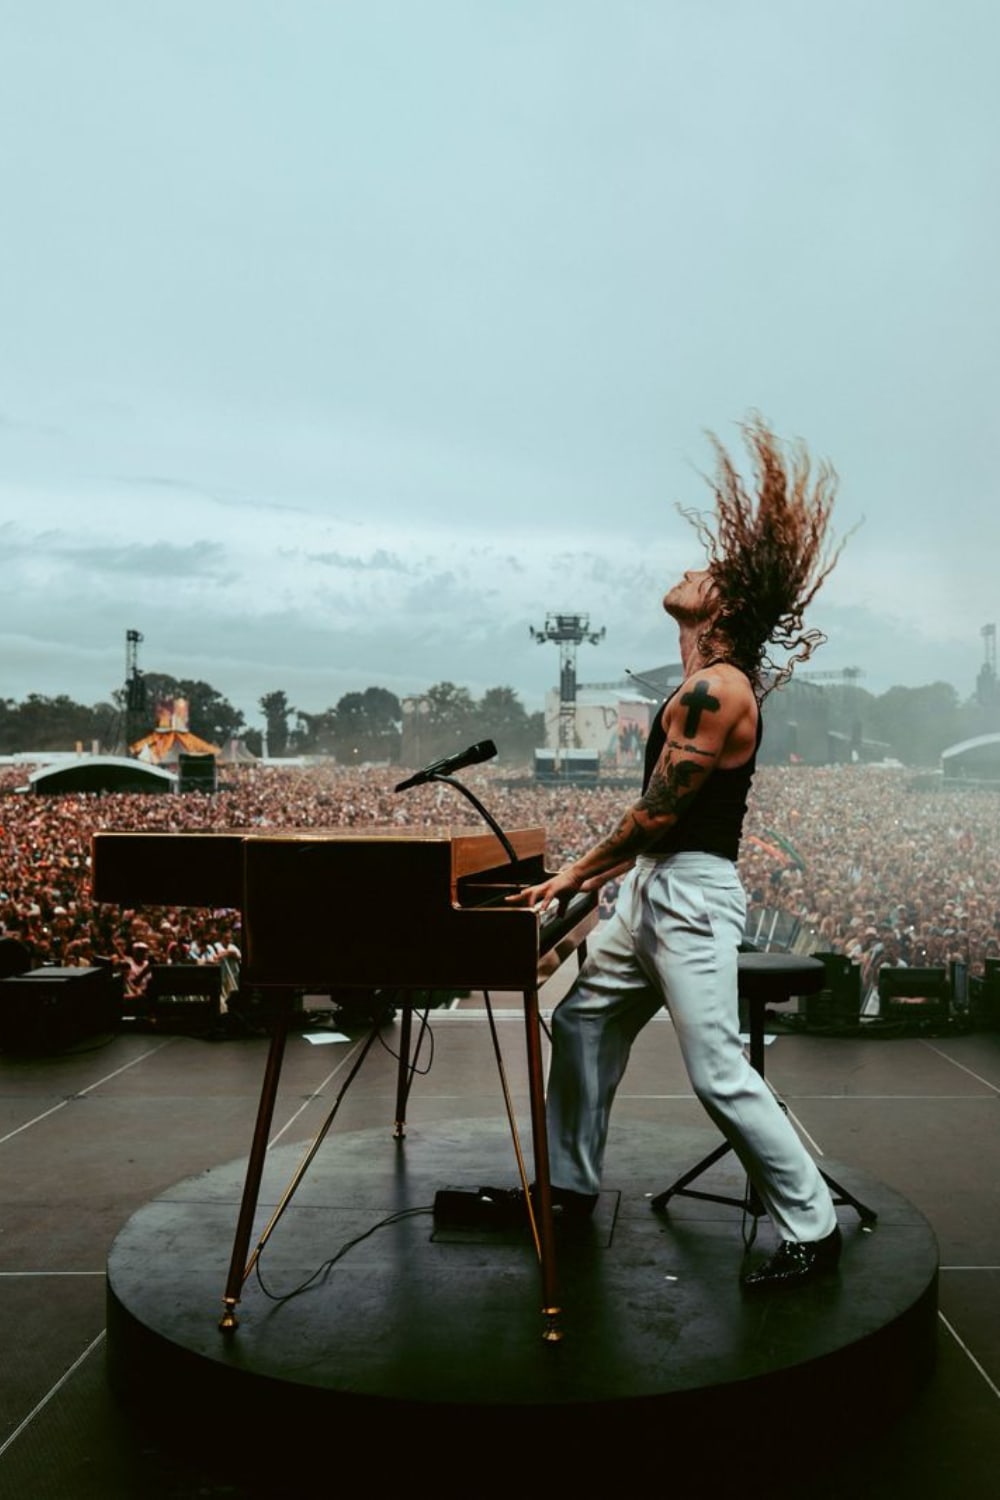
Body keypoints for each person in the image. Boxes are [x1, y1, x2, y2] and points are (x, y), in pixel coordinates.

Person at [509, 415, 846, 1290]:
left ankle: (812, 1224)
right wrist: (600, 887)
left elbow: (658, 817)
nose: (691, 571)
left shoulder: (713, 690)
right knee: (581, 1020)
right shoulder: (695, 687)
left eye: (707, 573)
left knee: (717, 1071)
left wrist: (576, 872)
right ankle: (570, 1185)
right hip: (656, 886)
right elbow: (655, 822)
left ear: (722, 606)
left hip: (692, 895)